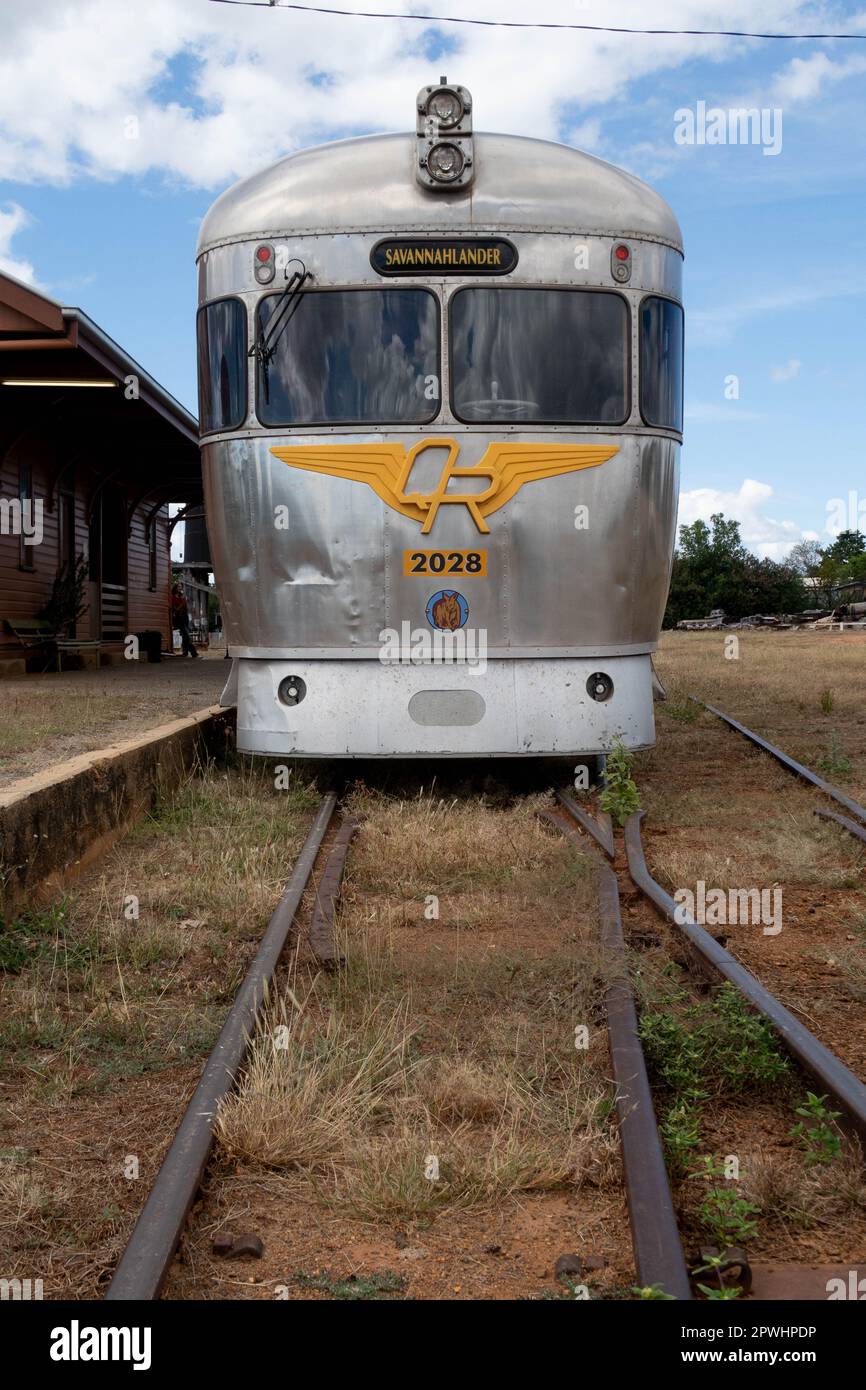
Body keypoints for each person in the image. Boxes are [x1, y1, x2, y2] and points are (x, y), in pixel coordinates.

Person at [171, 582, 198, 658]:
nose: (180, 588)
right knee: (186, 635)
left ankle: (185, 652)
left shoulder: (182, 597)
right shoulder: (172, 597)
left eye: (181, 586)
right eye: (178, 586)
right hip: (178, 617)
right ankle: (193, 652)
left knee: (185, 635)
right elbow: (173, 608)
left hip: (184, 617)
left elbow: (185, 608)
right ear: (175, 588)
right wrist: (179, 607)